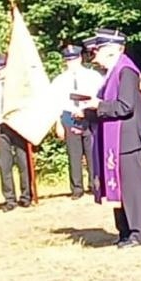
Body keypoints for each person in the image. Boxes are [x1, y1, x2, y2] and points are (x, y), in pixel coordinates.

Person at [83, 29, 141, 247]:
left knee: (132, 188)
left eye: (100, 50)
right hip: (117, 139)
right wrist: (87, 112)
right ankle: (125, 229)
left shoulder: (126, 71)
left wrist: (98, 106)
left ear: (113, 49)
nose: (96, 56)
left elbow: (126, 106)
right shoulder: (113, 72)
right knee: (120, 187)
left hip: (128, 138)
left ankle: (140, 232)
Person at [0, 54, 33, 211]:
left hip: (17, 124)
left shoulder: (17, 83)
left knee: (23, 161)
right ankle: (10, 199)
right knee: (5, 164)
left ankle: (26, 195)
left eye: (1, 67)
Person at [52, 45, 104, 199]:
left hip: (89, 114)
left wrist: (88, 112)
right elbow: (55, 104)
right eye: (68, 60)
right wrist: (58, 124)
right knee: (74, 154)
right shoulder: (59, 80)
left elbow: (100, 96)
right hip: (69, 116)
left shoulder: (93, 76)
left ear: (80, 58)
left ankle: (95, 184)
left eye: (74, 59)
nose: (71, 63)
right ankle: (76, 188)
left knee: (92, 151)